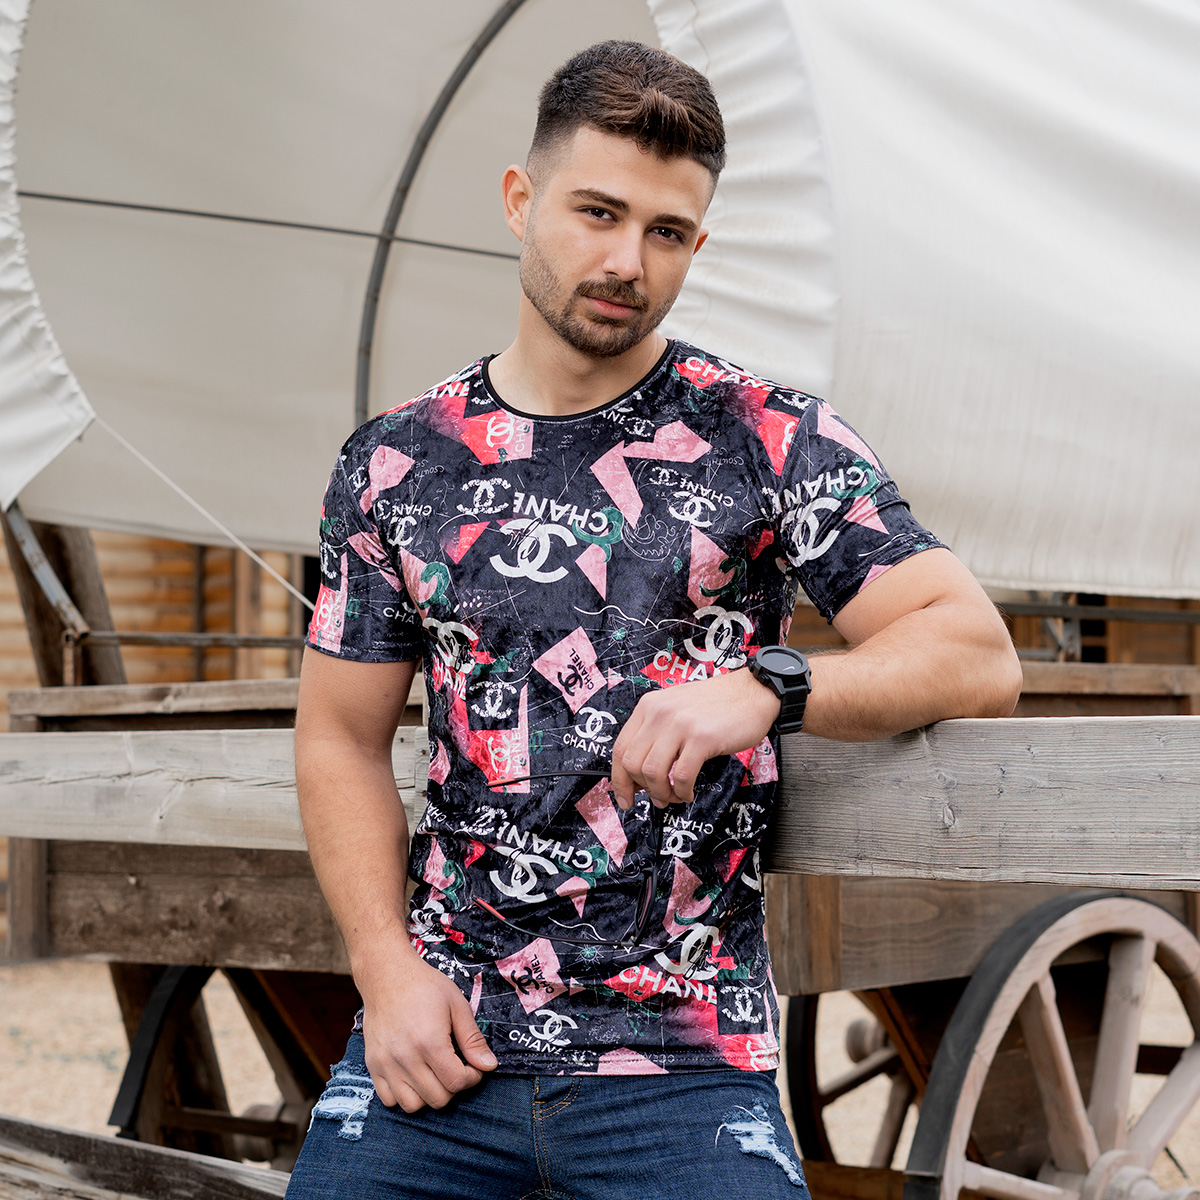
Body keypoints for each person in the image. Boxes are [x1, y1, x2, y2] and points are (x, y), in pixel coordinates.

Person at [287, 39, 1021, 1200]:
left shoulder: (766, 439)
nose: (627, 261)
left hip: (684, 1065)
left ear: (697, 245)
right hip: (441, 1038)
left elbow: (975, 648)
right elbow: (339, 733)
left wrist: (769, 687)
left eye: (667, 232)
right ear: (520, 201)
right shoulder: (397, 463)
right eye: (598, 212)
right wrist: (384, 973)